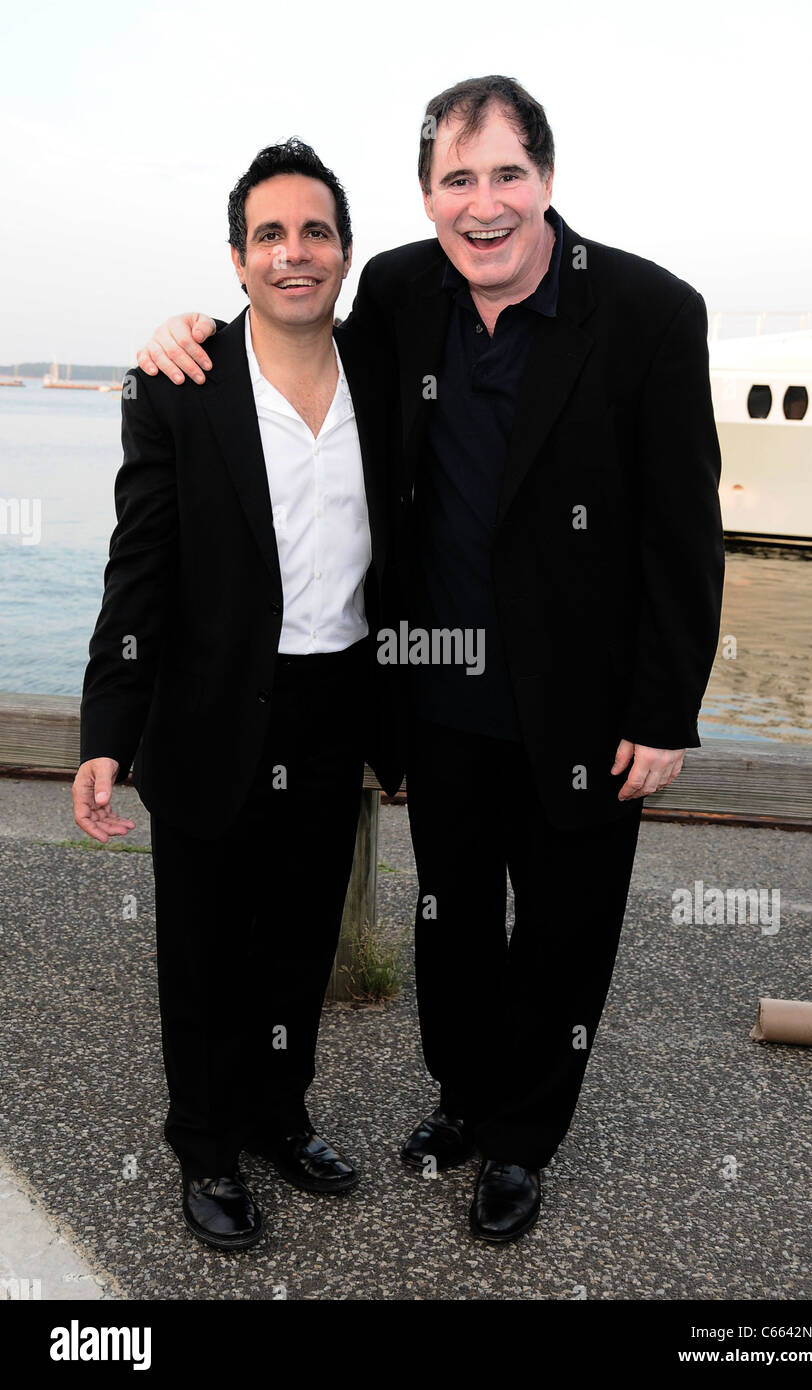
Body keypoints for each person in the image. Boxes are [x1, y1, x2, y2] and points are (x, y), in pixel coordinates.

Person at [137, 75, 725, 1243]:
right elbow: (288, 345)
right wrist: (186, 331)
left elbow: (682, 530)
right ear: (426, 197)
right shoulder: (406, 289)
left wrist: (665, 712)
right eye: (457, 180)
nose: (483, 204)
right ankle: (462, 1102)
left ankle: (520, 1143)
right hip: (437, 694)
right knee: (452, 922)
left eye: (505, 173)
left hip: (586, 711)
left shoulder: (651, 314)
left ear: (545, 180)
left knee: (561, 935)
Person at [74, 138, 401, 1251]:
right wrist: (106, 728)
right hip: (212, 707)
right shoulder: (182, 385)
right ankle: (203, 1144)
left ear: (344, 253)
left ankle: (277, 1112)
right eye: (271, 234)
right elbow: (141, 565)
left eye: (315, 231)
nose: (294, 253)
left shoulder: (390, 376)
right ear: (238, 255)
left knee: (299, 939)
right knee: (205, 946)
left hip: (333, 705)